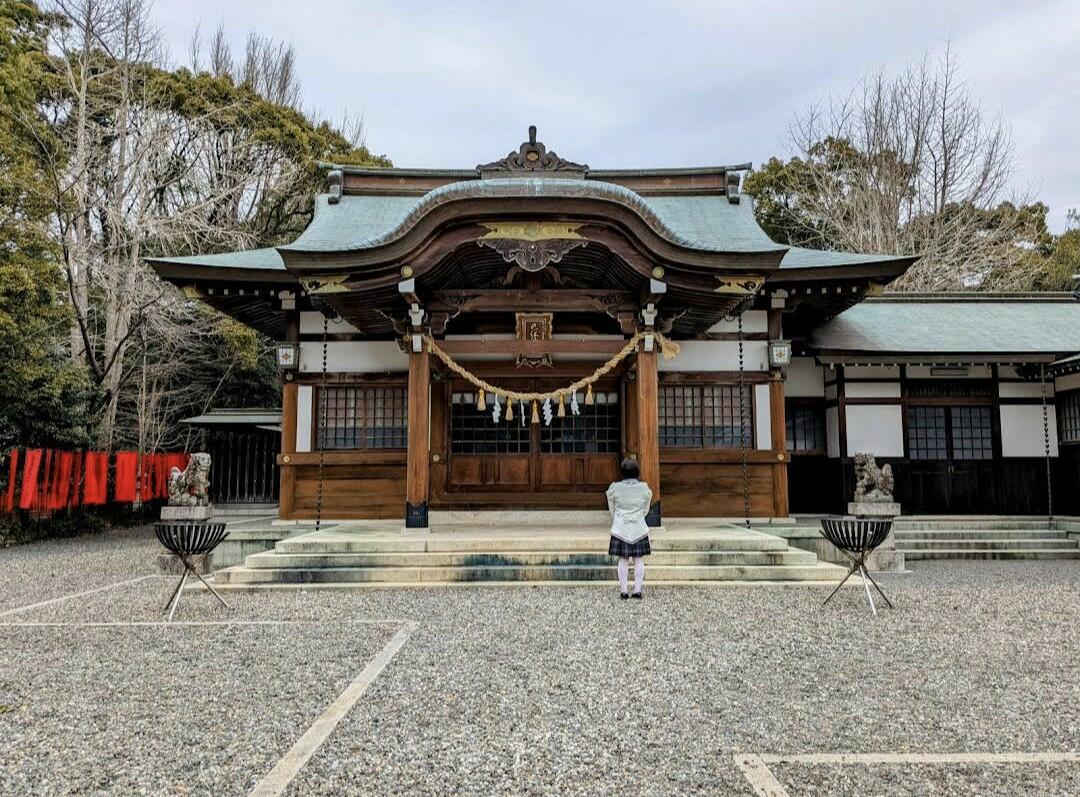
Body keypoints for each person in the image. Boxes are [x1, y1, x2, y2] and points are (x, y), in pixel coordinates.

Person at [606, 457, 653, 599]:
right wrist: (638, 516)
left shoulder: (614, 487)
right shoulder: (644, 488)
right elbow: (646, 508)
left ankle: (624, 591)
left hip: (620, 527)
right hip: (639, 527)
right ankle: (638, 590)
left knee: (623, 559)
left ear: (622, 472)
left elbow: (611, 508)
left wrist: (618, 519)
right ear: (637, 472)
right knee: (639, 559)